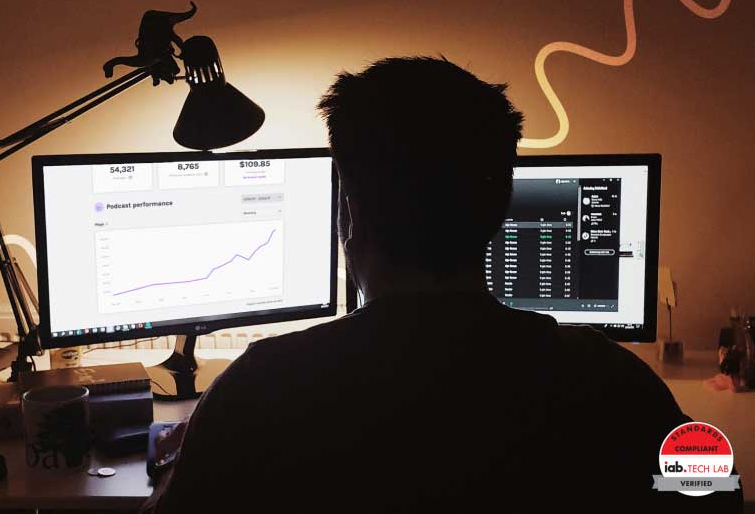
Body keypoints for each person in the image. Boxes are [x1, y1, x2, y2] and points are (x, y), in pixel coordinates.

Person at [142, 57, 741, 513]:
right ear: (499, 207)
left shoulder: (258, 387)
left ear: (348, 214)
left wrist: (182, 463)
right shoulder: (615, 382)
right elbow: (714, 496)